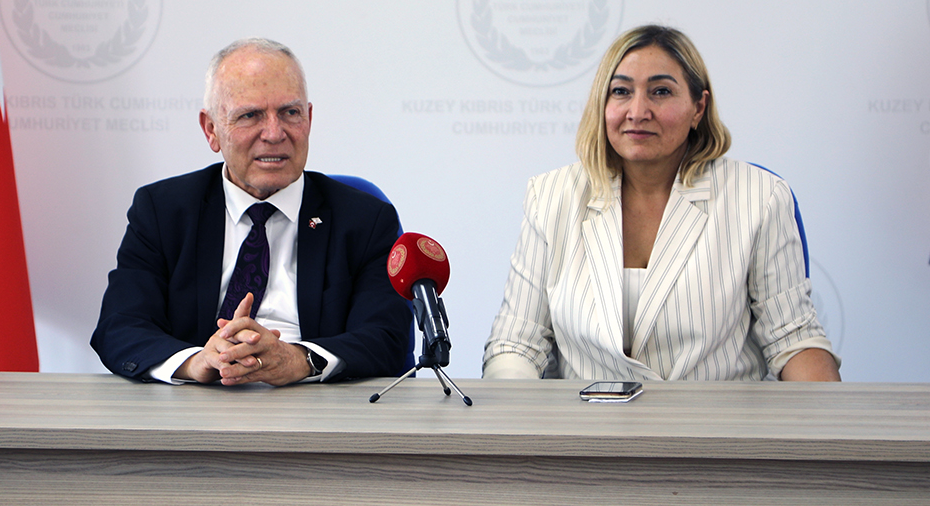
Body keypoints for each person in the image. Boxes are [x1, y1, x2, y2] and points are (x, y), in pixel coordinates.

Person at [482, 25, 838, 382]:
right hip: (586, 417)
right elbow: (516, 344)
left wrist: (825, 414)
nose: (638, 111)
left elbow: (793, 339)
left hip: (714, 416)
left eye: (661, 92)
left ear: (698, 107)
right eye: (621, 91)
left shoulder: (759, 196)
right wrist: (514, 410)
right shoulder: (550, 196)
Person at [91, 39, 411, 385]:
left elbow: (386, 336)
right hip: (193, 403)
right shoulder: (163, 211)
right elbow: (120, 326)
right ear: (211, 129)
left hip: (315, 403)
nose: (274, 134)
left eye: (290, 113)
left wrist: (300, 360)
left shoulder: (365, 219)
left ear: (309, 119)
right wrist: (195, 363)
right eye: (250, 115)